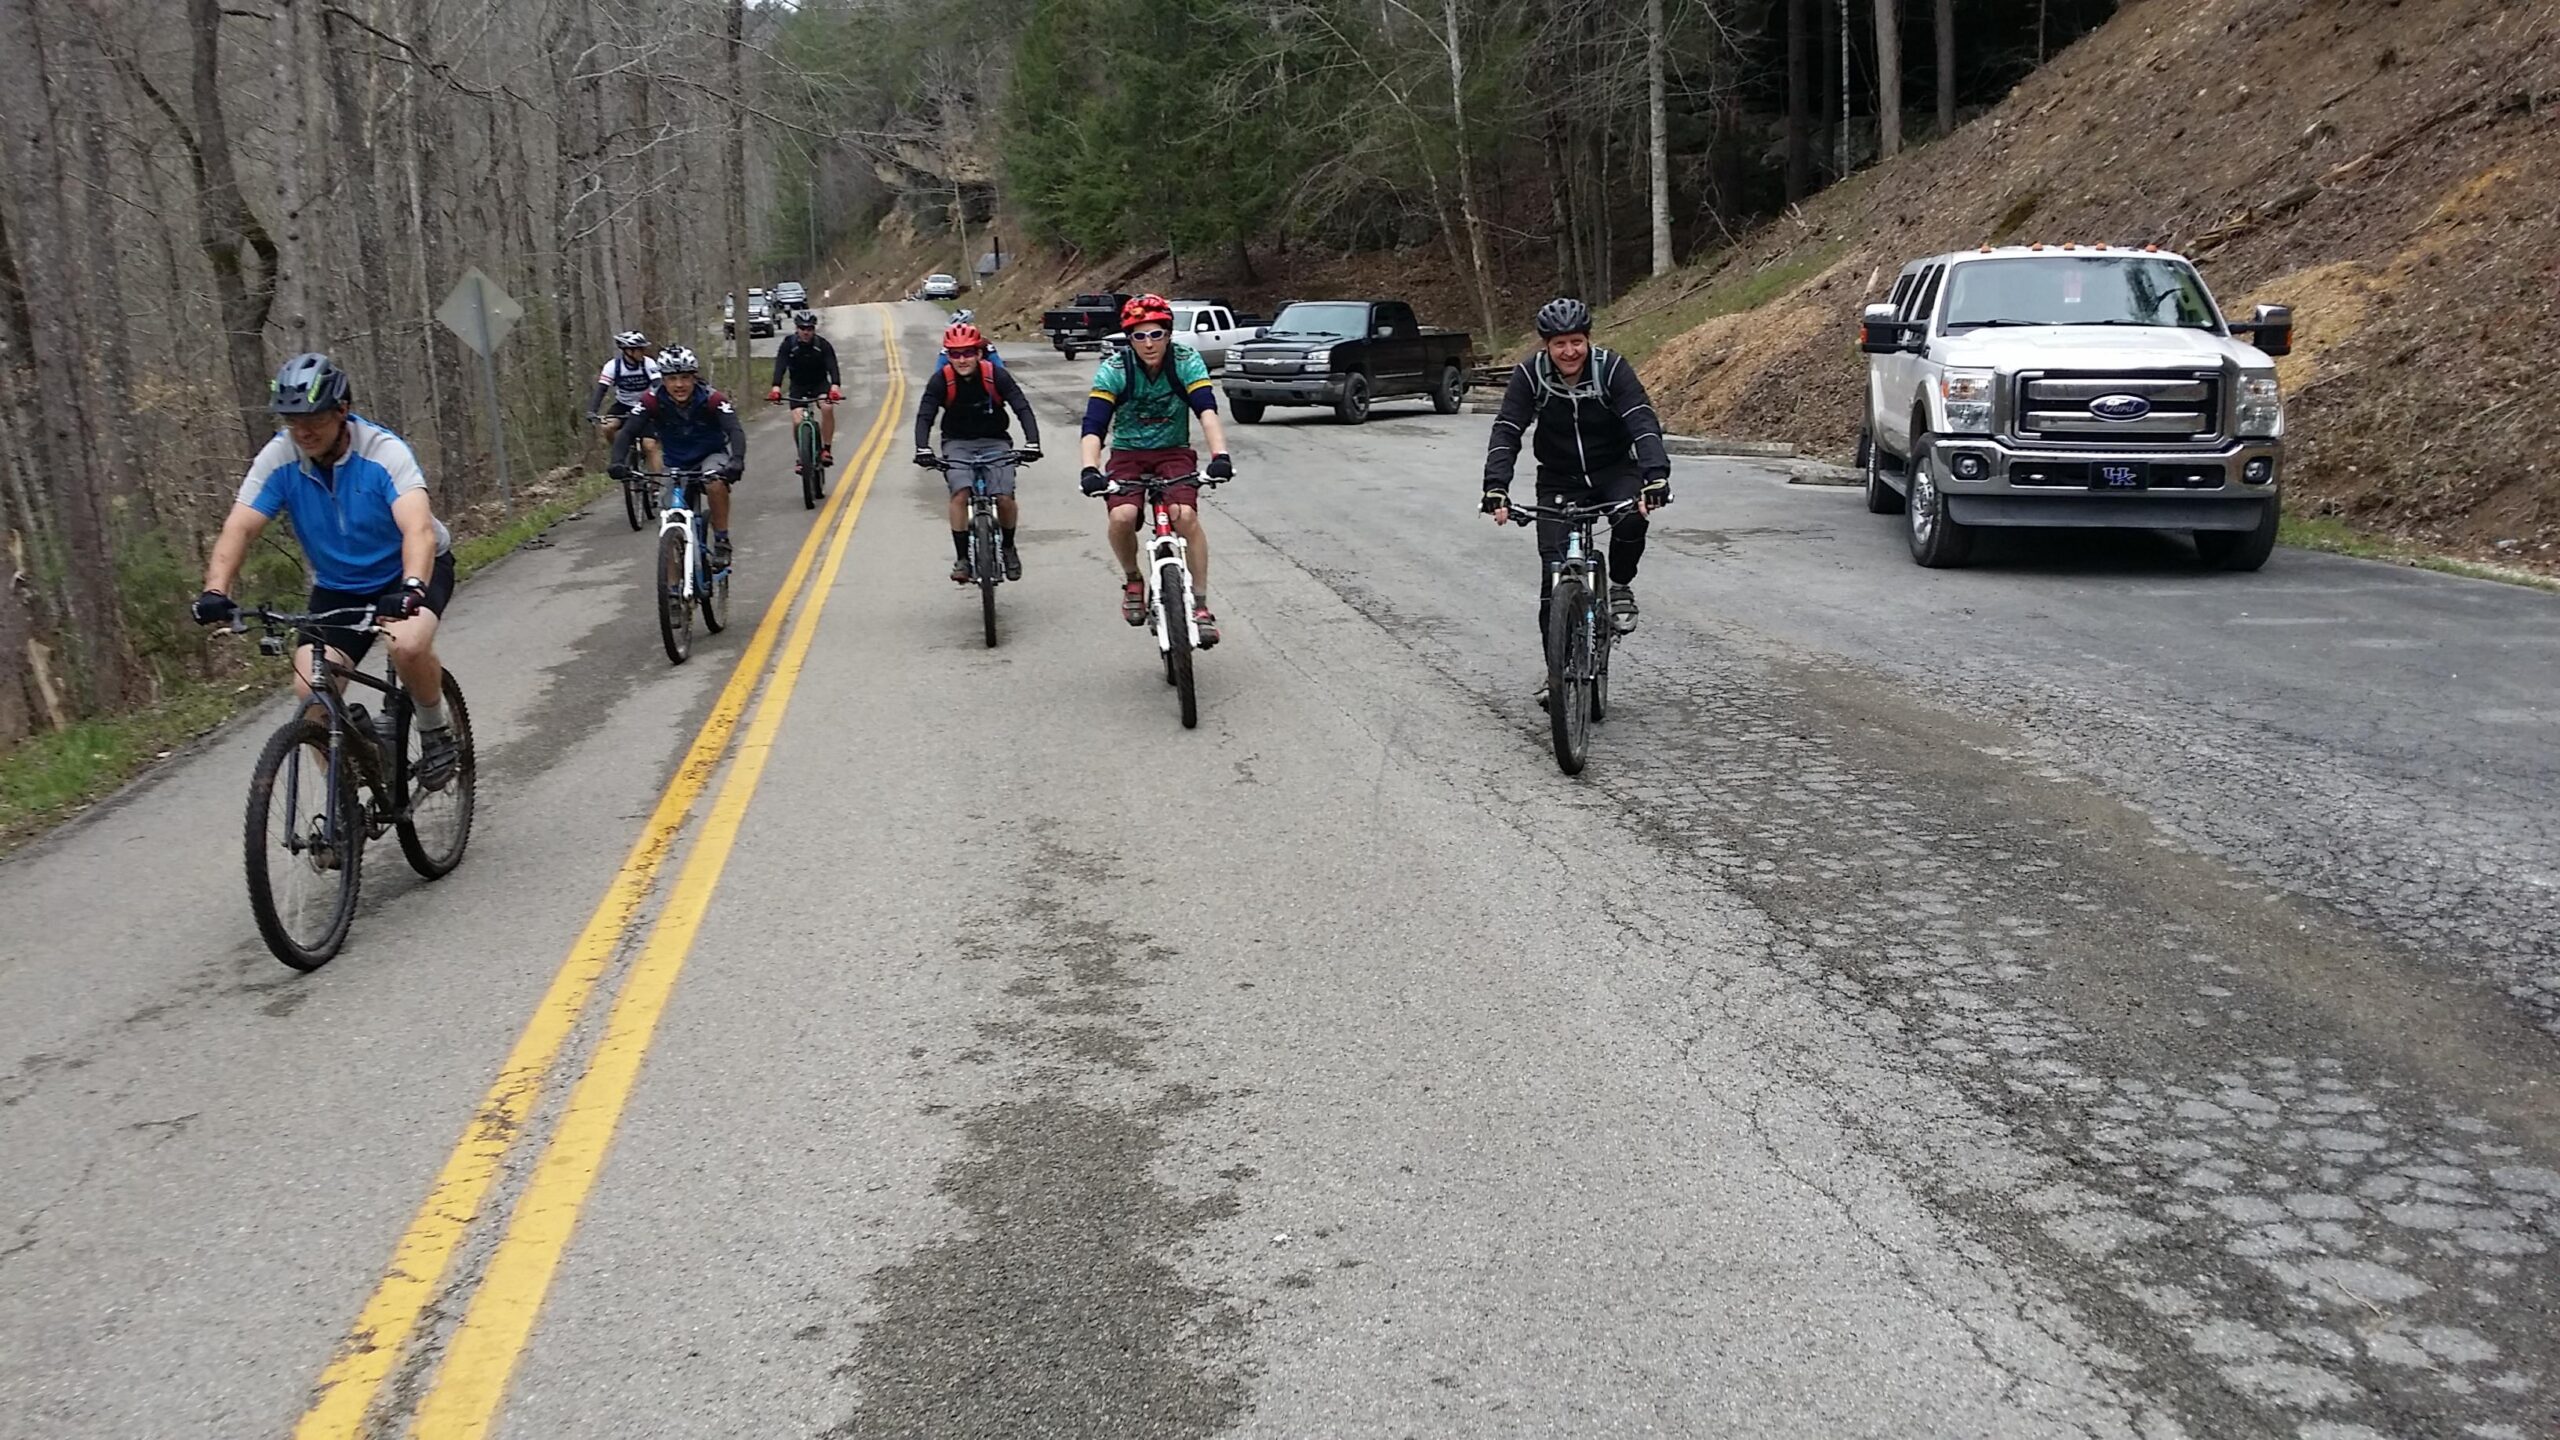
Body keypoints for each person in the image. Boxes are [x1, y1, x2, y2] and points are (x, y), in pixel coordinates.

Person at [190, 352, 462, 789]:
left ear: (342, 410)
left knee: (407, 644)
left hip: (406, 571)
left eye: (314, 416)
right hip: (339, 585)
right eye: (291, 419)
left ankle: (434, 730)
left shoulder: (383, 452)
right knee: (311, 689)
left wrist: (411, 586)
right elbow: (239, 527)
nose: (303, 430)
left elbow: (418, 530)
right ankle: (347, 792)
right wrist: (215, 590)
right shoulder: (280, 458)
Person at [1481, 296, 1672, 668]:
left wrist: (1655, 476)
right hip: (1559, 478)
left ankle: (1618, 585)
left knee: (1631, 518)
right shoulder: (1530, 374)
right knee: (1552, 582)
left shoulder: (1611, 368)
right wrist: (1495, 486)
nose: (1569, 352)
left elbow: (1641, 419)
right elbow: (1507, 429)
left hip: (1615, 469)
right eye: (1559, 344)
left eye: (1576, 342)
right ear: (1546, 345)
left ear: (1588, 339)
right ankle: (1558, 673)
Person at [1078, 293, 1235, 645]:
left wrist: (1220, 455)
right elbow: (1094, 426)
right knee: (1122, 517)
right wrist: (1090, 468)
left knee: (1185, 517)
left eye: (1156, 334)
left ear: (1168, 333)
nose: (1149, 343)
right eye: (1139, 335)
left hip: (1173, 452)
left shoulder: (1185, 361)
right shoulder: (1116, 370)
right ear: (1129, 339)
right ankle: (1134, 580)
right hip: (1128, 454)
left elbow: (1206, 411)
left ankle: (1200, 604)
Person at [913, 321, 1042, 582]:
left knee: (1004, 496)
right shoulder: (942, 380)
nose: (962, 360)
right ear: (948, 356)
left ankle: (1008, 546)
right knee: (960, 494)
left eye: (968, 353)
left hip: (995, 441)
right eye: (955, 354)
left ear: (979, 353)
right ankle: (962, 558)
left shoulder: (996, 375)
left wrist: (1032, 442)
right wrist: (922, 447)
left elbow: (1021, 407)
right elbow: (925, 415)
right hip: (957, 443)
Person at [610, 345, 746, 567]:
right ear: (663, 380)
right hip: (676, 464)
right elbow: (628, 432)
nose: (679, 385)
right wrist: (616, 462)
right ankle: (672, 592)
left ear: (694, 378)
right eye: (672, 378)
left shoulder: (712, 398)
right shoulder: (651, 400)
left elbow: (734, 430)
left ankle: (722, 540)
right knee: (669, 524)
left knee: (715, 483)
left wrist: (737, 460)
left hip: (710, 456)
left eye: (684, 377)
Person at [764, 310, 842, 466]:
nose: (806, 332)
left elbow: (832, 367)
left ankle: (826, 449)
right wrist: (776, 388)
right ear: (797, 328)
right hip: (798, 386)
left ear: (814, 329)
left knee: (827, 407)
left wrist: (835, 387)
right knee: (797, 420)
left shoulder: (822, 345)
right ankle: (802, 455)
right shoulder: (788, 344)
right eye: (802, 328)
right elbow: (780, 365)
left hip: (819, 384)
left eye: (809, 329)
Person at [588, 330, 663, 472]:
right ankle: (621, 451)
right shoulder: (613, 366)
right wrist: (592, 410)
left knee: (650, 446)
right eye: (639, 349)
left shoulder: (648, 363)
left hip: (645, 406)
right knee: (607, 426)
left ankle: (657, 486)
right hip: (623, 405)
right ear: (628, 351)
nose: (643, 352)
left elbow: (658, 385)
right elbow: (601, 389)